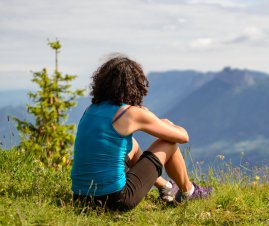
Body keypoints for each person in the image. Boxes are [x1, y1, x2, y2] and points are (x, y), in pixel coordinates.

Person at [70, 55, 212, 210]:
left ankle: (165, 187)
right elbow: (183, 137)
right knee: (169, 143)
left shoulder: (90, 109)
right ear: (135, 85)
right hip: (115, 200)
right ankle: (189, 192)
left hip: (80, 197)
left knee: (132, 144)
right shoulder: (130, 113)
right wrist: (165, 123)